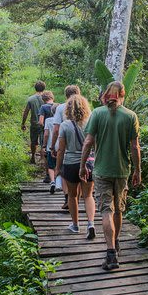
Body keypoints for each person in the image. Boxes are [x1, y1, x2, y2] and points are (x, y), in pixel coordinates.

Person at [80, 81, 141, 271]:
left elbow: (88, 141)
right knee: (119, 210)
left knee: (107, 210)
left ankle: (111, 253)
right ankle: (116, 243)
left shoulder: (97, 113)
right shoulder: (131, 116)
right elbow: (134, 146)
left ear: (106, 94)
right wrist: (138, 170)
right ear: (123, 94)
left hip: (102, 171)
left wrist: (82, 165)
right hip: (122, 171)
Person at [55, 94, 96, 239]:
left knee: (72, 196)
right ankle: (91, 224)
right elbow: (95, 145)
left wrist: (58, 168)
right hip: (89, 163)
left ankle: (75, 225)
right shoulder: (90, 123)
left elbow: (61, 149)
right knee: (88, 195)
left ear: (68, 109)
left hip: (71, 163)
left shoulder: (65, 125)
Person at [51, 85, 81, 210]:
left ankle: (67, 197)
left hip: (64, 142)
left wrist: (52, 146)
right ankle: (76, 199)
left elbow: (56, 129)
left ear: (66, 95)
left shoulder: (61, 108)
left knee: (64, 173)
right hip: (80, 145)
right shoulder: (84, 106)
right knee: (79, 172)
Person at [21, 81, 45, 164]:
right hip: (44, 124)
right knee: (43, 142)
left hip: (34, 124)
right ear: (44, 88)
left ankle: (33, 157)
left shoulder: (31, 99)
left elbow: (26, 112)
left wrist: (23, 123)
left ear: (35, 88)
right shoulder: (46, 98)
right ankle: (42, 159)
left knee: (33, 141)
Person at [42, 103, 59, 192]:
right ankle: (56, 181)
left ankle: (52, 181)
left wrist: (44, 145)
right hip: (61, 146)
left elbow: (46, 134)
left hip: (50, 146)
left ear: (52, 111)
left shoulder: (48, 120)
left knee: (51, 165)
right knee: (58, 165)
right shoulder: (64, 120)